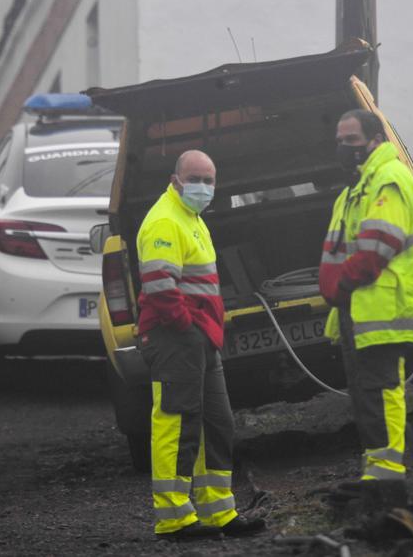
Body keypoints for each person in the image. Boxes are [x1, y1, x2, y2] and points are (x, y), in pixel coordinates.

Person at [135, 149, 266, 541]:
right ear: (176, 180)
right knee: (178, 424)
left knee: (216, 422)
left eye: (209, 180)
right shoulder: (164, 220)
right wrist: (186, 328)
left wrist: (200, 332)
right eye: (195, 179)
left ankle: (219, 510)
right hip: (177, 337)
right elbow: (159, 284)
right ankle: (174, 517)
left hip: (198, 338)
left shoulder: (189, 218)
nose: (203, 188)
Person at [318, 109, 413, 514]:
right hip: (363, 309)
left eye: (350, 139)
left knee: (381, 394)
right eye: (339, 139)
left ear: (376, 139)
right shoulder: (358, 187)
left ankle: (388, 489)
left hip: (382, 307)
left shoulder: (388, 178)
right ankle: (377, 479)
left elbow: (377, 247)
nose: (343, 147)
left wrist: (339, 284)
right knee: (370, 397)